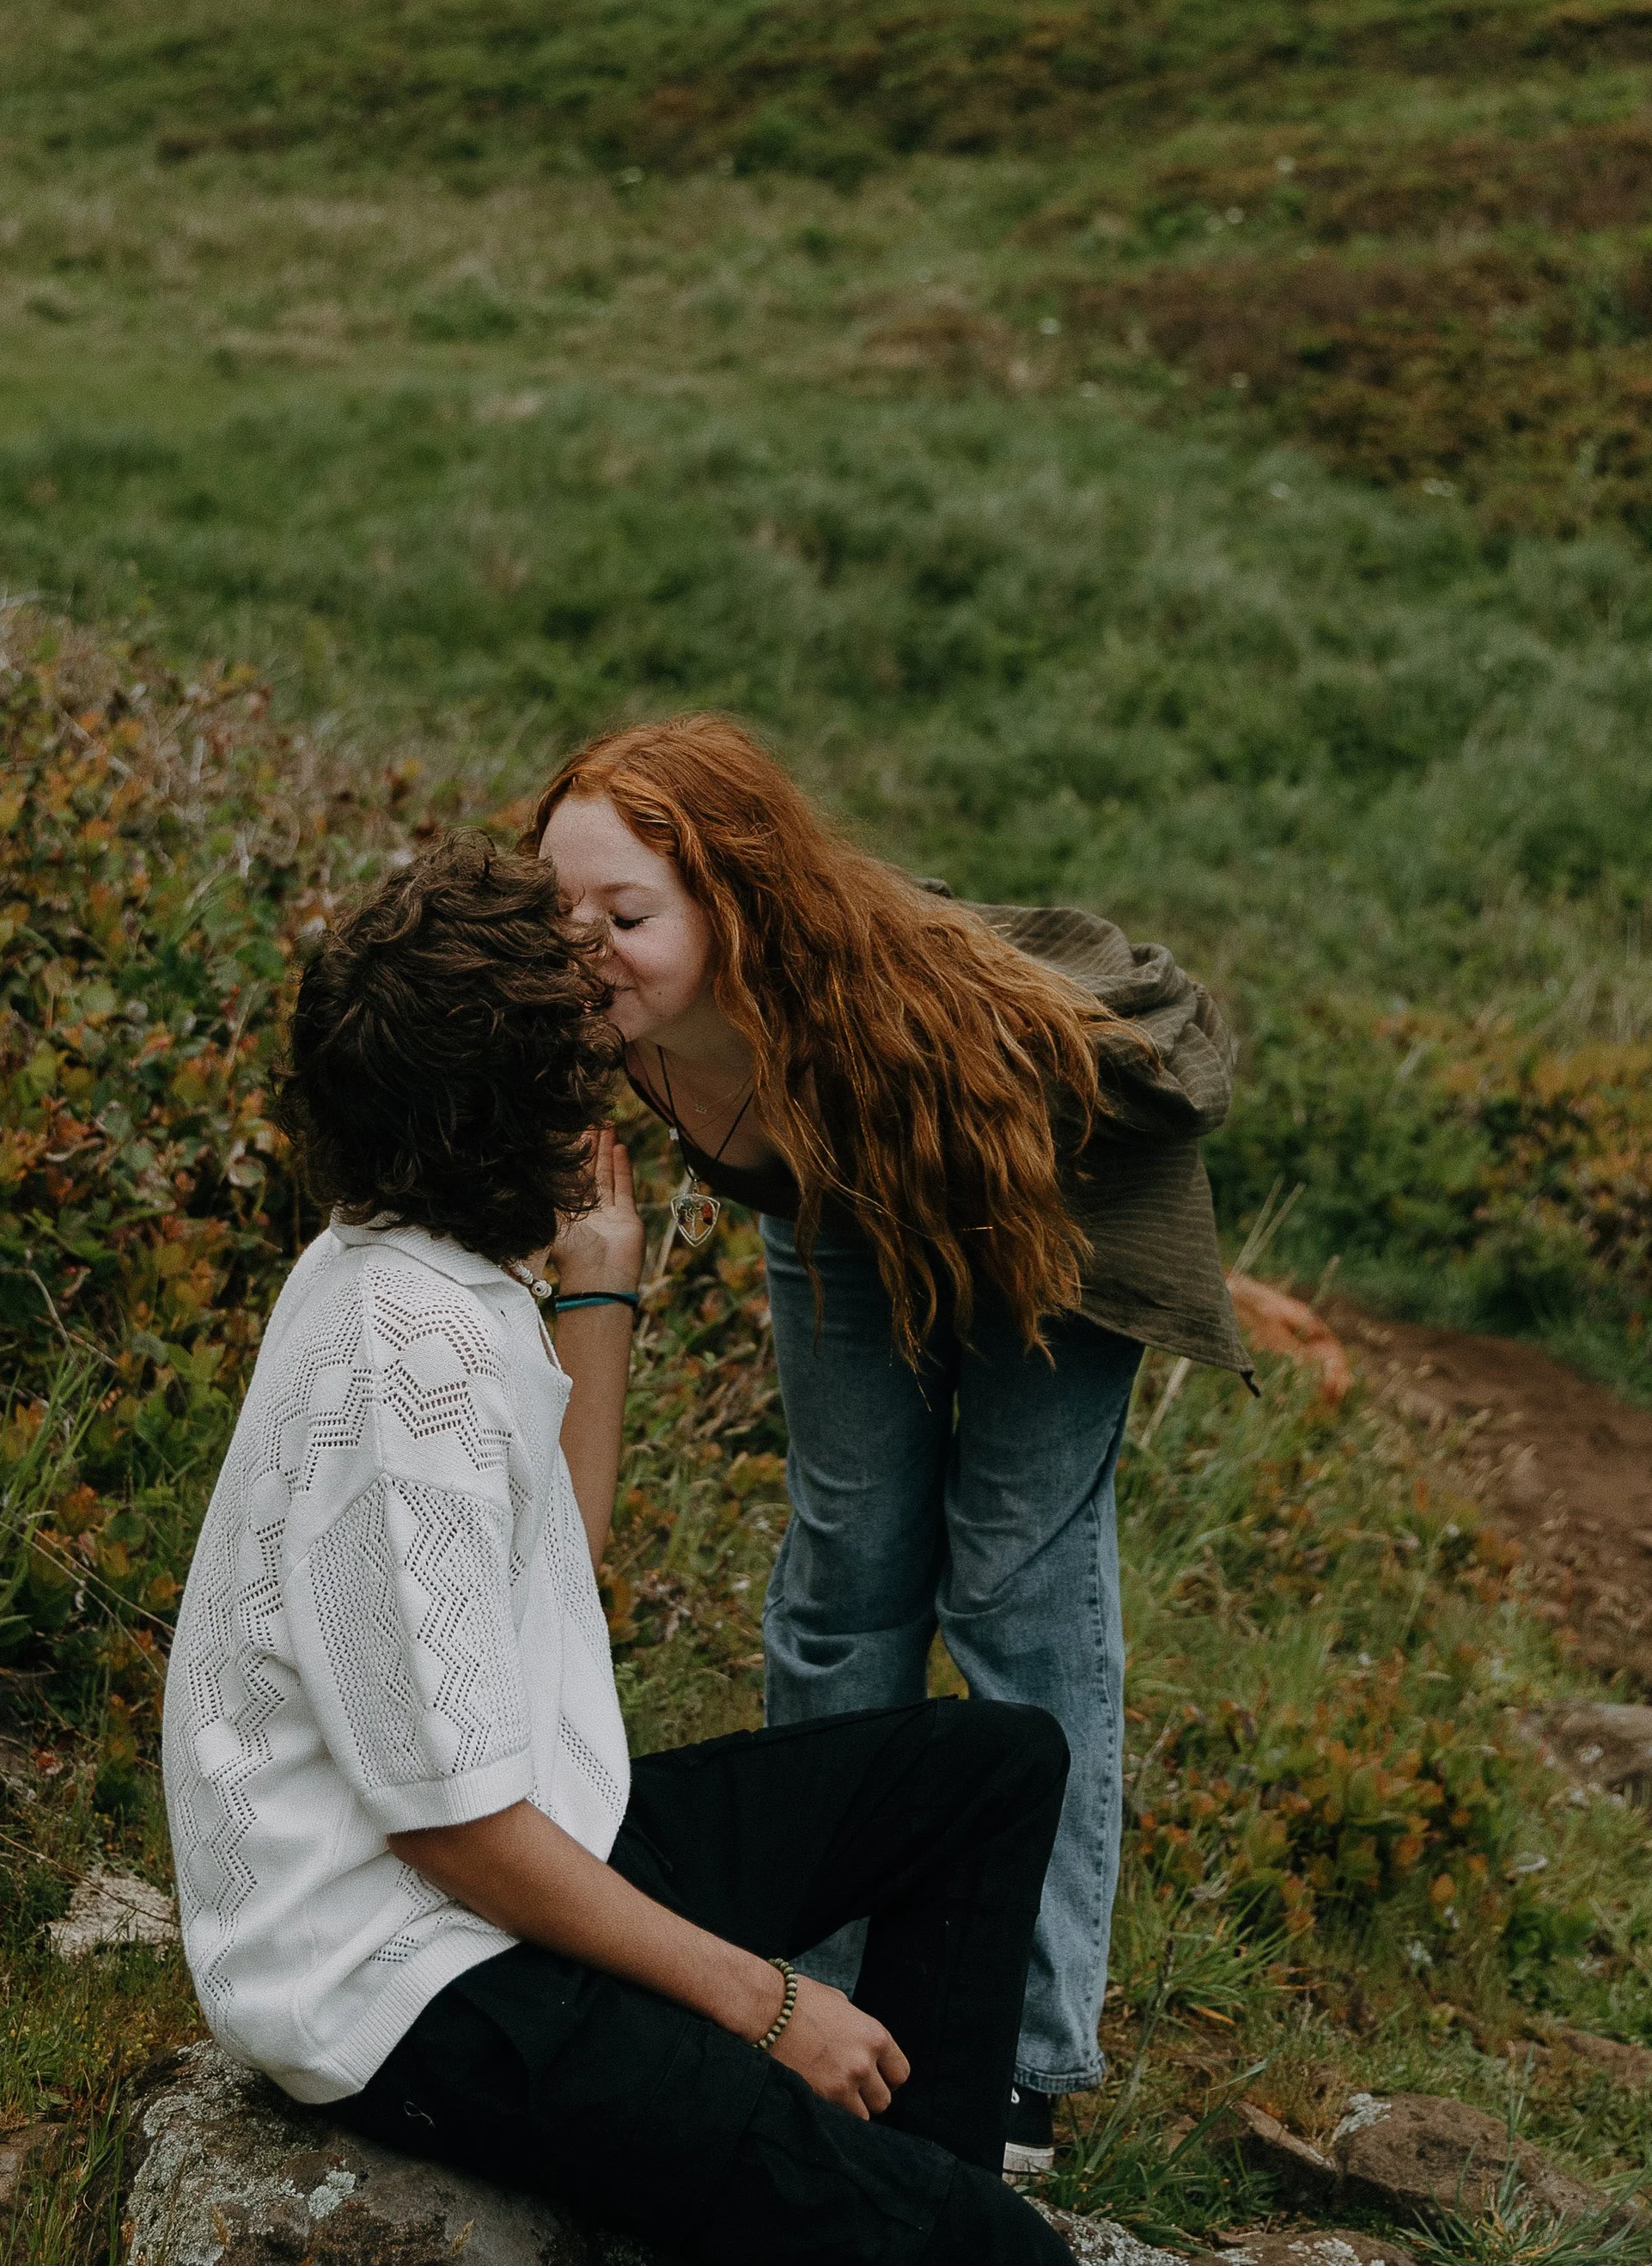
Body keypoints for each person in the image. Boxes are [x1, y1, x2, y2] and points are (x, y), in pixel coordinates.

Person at [161, 838, 1652, 2266]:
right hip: (407, 1965)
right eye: (578, 1064)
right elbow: (457, 1828)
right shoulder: (411, 1360)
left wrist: (601, 1302)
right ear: (504, 1111)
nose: (613, 1078)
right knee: (993, 2264)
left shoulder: (410, 1275)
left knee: (984, 1764)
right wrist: (761, 1995)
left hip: (492, 1849)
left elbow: (531, 1609)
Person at [533, 718, 1251, 2175]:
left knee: (1012, 1579)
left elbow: (1039, 1145)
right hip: (834, 1197)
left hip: (1040, 1181)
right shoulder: (606, 1022)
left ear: (735, 904)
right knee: (843, 1569)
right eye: (558, 910)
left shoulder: (881, 1010)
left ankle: (1024, 2057)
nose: (584, 947)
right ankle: (820, 1997)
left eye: (625, 915)